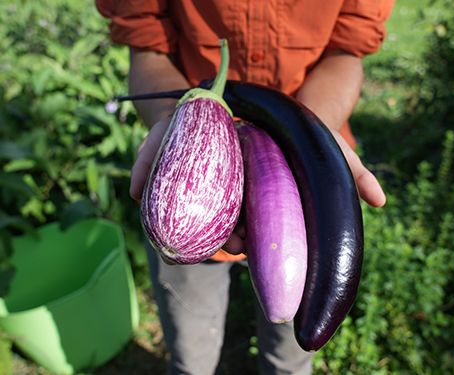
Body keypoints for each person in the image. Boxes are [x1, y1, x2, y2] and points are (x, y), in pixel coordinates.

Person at [96, 1, 393, 374]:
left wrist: (311, 132)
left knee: (291, 352)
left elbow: (347, 50)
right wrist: (174, 118)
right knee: (190, 349)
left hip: (305, 200)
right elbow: (146, 44)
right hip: (189, 175)